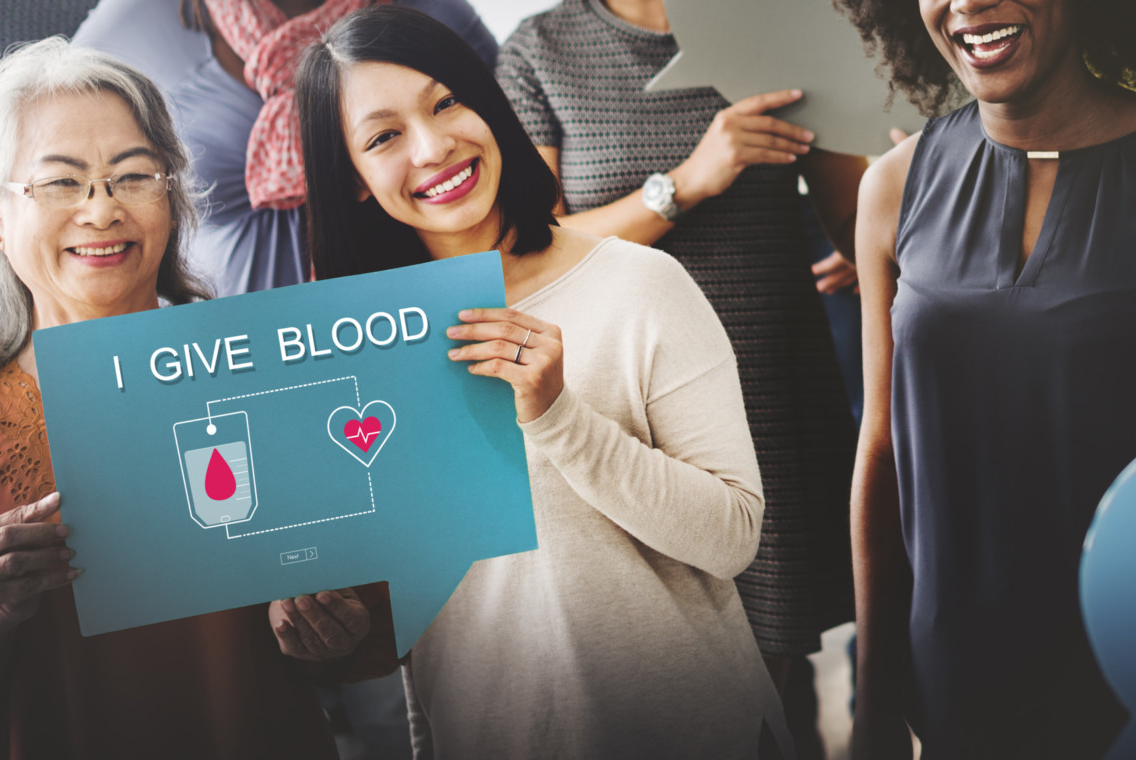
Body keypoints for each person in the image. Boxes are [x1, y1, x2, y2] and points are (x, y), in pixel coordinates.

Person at [297, 5, 793, 758]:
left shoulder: (640, 284)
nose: (433, 147)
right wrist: (324, 621)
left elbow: (732, 539)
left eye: (446, 102)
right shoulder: (355, 353)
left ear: (489, 107)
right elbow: (415, 620)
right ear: (354, 180)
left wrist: (560, 416)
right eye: (384, 136)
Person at [0, 38, 394, 758]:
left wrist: (325, 637)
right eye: (60, 182)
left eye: (132, 176)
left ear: (171, 195)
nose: (101, 209)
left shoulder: (265, 374)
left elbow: (361, 644)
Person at [495, 0, 864, 698]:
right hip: (620, 409)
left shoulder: (782, 24)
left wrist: (889, 214)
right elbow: (530, 243)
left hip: (767, 394)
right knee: (654, 672)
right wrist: (686, 183)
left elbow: (857, 224)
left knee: (766, 678)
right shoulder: (537, 50)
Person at [837, 0, 1136, 757]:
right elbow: (881, 447)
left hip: (1119, 674)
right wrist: (872, 699)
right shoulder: (892, 187)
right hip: (954, 678)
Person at [72, 0, 498, 297]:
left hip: (410, 320)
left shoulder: (436, 14)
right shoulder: (129, 30)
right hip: (219, 349)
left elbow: (513, 156)